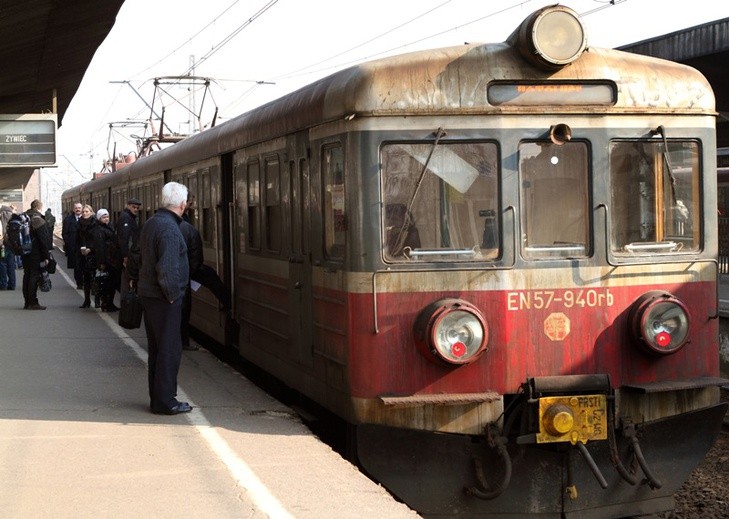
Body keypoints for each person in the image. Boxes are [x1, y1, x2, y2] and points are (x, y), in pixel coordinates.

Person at [132, 182, 191, 415]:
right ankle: (166, 401)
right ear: (182, 204)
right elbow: (166, 269)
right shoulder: (169, 229)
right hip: (163, 298)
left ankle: (158, 399)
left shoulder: (151, 223)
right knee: (169, 350)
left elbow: (138, 257)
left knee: (158, 349)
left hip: (150, 296)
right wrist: (173, 296)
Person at [179, 218, 203, 351]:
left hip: (164, 281)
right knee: (183, 311)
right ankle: (183, 342)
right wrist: (187, 274)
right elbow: (197, 257)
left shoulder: (153, 224)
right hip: (183, 279)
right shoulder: (189, 229)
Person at [22, 203, 52, 310]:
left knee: (27, 276)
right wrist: (46, 256)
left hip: (25, 252)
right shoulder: (38, 220)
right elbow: (43, 240)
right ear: (39, 208)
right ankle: (33, 302)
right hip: (36, 254)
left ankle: (27, 302)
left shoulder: (24, 217)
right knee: (34, 276)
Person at [92, 209, 121, 311]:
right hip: (106, 260)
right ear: (99, 218)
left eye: (107, 217)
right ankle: (106, 304)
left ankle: (109, 303)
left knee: (111, 283)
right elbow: (100, 248)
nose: (106, 219)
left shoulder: (108, 227)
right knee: (106, 283)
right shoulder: (99, 230)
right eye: (104, 217)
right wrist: (102, 263)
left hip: (111, 259)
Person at [117, 197, 141, 305]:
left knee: (127, 279)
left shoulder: (128, 217)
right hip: (129, 255)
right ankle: (126, 303)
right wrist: (125, 256)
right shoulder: (126, 218)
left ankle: (126, 302)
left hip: (130, 253)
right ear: (128, 206)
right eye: (133, 207)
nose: (136, 209)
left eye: (137, 207)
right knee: (127, 279)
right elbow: (124, 238)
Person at [76, 204, 98, 308]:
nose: (84, 213)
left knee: (96, 277)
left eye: (87, 211)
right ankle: (87, 300)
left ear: (91, 212)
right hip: (83, 254)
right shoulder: (79, 223)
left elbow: (98, 239)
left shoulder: (95, 223)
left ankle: (97, 300)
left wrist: (91, 248)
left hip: (94, 254)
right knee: (86, 278)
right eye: (83, 212)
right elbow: (77, 238)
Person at [62, 202, 83, 289]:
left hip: (84, 247)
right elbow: (65, 233)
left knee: (84, 266)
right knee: (77, 267)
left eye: (79, 208)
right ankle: (79, 283)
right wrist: (69, 243)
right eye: (76, 208)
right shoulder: (68, 220)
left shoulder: (86, 218)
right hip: (74, 247)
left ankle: (86, 282)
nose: (78, 209)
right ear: (73, 209)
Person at [0, 204, 17, 290]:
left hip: (2, 245)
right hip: (12, 244)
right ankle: (12, 284)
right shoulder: (13, 218)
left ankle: (3, 284)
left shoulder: (1, 217)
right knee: (11, 265)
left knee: (2, 264)